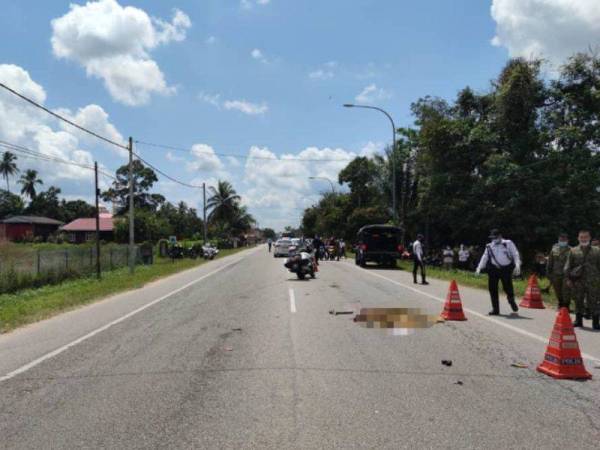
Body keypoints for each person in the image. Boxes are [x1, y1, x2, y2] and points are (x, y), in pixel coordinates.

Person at [476, 229, 521, 316]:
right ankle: (495, 309)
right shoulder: (489, 246)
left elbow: (515, 254)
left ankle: (511, 300)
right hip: (493, 269)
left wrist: (517, 264)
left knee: (507, 287)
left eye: (495, 237)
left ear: (500, 236)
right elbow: (484, 257)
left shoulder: (508, 243)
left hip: (506, 269)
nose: (494, 239)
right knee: (492, 289)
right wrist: (479, 267)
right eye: (492, 238)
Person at [564, 230, 600, 329]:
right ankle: (578, 321)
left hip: (593, 281)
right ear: (578, 238)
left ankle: (596, 323)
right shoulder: (573, 250)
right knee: (578, 300)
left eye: (586, 237)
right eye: (582, 237)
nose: (584, 239)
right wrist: (568, 279)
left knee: (594, 301)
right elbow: (568, 266)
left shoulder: (597, 251)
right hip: (577, 281)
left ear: (589, 238)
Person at [546, 233, 571, 310]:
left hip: (566, 275)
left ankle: (566, 306)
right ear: (558, 240)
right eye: (561, 240)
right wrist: (548, 272)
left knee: (566, 291)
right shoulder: (554, 249)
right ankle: (560, 303)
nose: (562, 241)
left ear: (567, 240)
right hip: (555, 274)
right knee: (557, 290)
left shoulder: (571, 250)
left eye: (564, 240)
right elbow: (550, 261)